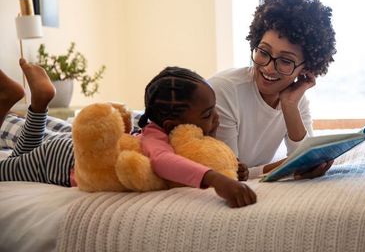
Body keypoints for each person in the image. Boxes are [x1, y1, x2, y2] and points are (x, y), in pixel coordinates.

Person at [0, 59, 256, 208]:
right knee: (5, 170)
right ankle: (13, 103)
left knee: (20, 155)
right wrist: (215, 179)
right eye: (207, 114)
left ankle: (38, 104)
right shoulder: (156, 138)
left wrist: (232, 167)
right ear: (168, 125)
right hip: (61, 162)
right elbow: (162, 161)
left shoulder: (178, 135)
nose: (216, 119)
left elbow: (198, 157)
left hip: (69, 150)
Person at [208, 0, 337, 180]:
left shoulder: (295, 100)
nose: (268, 68)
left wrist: (289, 105)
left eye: (285, 61)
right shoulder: (224, 90)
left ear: (306, 68)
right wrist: (288, 166)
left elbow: (307, 159)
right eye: (263, 52)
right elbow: (230, 174)